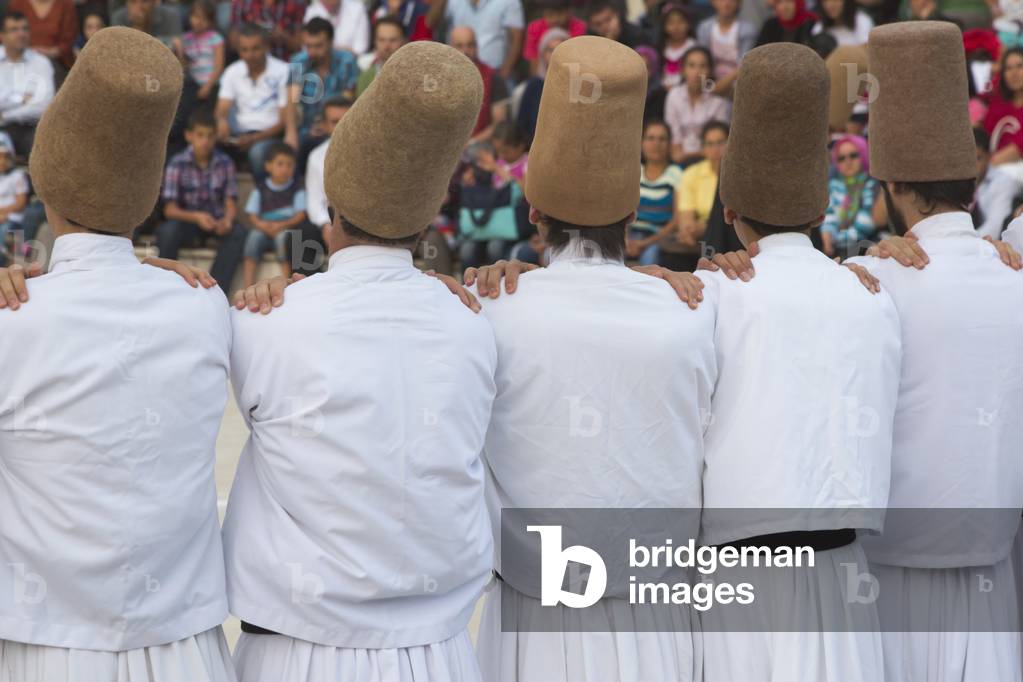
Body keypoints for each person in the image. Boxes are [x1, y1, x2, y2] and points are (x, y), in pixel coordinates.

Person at [224, 41, 496, 682]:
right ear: (428, 219)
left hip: (295, 651)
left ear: (330, 211)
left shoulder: (263, 323)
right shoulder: (477, 321)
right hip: (442, 654)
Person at [0, 27, 236, 682]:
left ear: (45, 176)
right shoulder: (204, 305)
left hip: (41, 644)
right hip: (187, 645)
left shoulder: (12, 321)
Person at [473, 36, 711, 682]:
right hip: (658, 618)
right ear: (633, 210)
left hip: (533, 617)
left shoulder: (486, 308)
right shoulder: (696, 309)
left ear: (532, 211)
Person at [676, 42, 899, 682]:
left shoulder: (711, 295)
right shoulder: (870, 293)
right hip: (842, 570)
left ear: (729, 213)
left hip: (739, 575)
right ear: (822, 209)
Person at [839, 21, 1023, 681]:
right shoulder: (1012, 269)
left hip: (888, 583)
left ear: (889, 187)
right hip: (996, 577)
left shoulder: (870, 280)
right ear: (970, 186)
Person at [158, 110, 246, 295]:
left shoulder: (225, 162)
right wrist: (196, 217)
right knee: (168, 230)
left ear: (215, 137)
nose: (205, 141)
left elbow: (230, 201)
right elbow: (170, 210)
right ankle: (164, 286)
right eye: (200, 135)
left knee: (237, 233)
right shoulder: (177, 162)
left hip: (215, 222)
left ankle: (215, 289)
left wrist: (227, 220)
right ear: (189, 136)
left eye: (209, 136)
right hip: (188, 222)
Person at [216, 22, 293, 179]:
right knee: (208, 144)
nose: (249, 55)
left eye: (255, 49)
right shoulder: (232, 71)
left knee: (258, 153)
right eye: (244, 50)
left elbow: (284, 120)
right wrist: (221, 120)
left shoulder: (284, 71)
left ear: (266, 47)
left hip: (271, 136)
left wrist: (254, 139)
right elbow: (222, 107)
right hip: (238, 136)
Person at [289, 17, 358, 157]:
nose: (312, 51)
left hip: (337, 128)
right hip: (306, 129)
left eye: (318, 45)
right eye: (308, 46)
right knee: (290, 150)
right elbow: (292, 100)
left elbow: (346, 100)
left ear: (331, 42)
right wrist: (290, 133)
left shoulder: (347, 61)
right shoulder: (298, 62)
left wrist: (326, 126)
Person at [665, 119, 728, 270]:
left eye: (721, 142)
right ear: (703, 148)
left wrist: (706, 226)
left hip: (728, 235)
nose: (716, 149)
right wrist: (688, 228)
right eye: (710, 144)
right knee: (673, 256)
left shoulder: (738, 175)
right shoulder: (691, 173)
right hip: (698, 239)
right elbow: (686, 214)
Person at [242, 142, 307, 287]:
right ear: (268, 166)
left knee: (283, 240)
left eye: (289, 165)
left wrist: (282, 225)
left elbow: (300, 215)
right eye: (280, 164)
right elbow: (252, 214)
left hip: (285, 228)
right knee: (253, 238)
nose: (285, 169)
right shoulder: (260, 188)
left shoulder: (297, 190)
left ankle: (286, 283)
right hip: (264, 227)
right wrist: (261, 225)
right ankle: (248, 285)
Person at [629, 119, 684, 266]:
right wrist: (625, 240)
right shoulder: (633, 171)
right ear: (641, 142)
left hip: (660, 239)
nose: (656, 144)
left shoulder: (677, 174)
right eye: (650, 138)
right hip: (629, 236)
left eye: (662, 139)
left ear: (669, 144)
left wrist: (645, 243)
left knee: (650, 261)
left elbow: (677, 220)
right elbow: (620, 211)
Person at [0, 10, 54, 157]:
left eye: (25, 29)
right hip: (1, 129)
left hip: (31, 129)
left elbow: (44, 107)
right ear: (2, 36)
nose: (21, 33)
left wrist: (6, 115)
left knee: (45, 149)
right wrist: (21, 99)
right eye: (14, 30)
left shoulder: (41, 62)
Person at [664, 46, 730, 164]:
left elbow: (720, 141)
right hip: (678, 160)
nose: (697, 72)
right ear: (683, 70)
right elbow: (675, 145)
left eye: (703, 66)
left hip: (711, 160)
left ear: (710, 71)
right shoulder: (674, 96)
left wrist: (693, 155)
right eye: (691, 65)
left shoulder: (718, 100)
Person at [449, 25, 509, 144]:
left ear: (477, 47)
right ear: (450, 48)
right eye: (459, 46)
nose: (465, 51)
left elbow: (499, 123)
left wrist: (471, 142)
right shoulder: (441, 78)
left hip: (479, 144)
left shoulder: (493, 78)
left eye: (470, 45)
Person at [821, 133, 878, 258]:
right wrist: (827, 234)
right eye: (841, 158)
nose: (847, 162)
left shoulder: (872, 184)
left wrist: (837, 239)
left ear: (863, 154)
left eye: (853, 155)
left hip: (865, 248)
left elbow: (867, 222)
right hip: (838, 249)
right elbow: (829, 216)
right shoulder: (834, 185)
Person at [305, 96, 349, 249]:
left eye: (347, 119)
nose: (342, 125)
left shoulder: (371, 153)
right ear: (324, 125)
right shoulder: (316, 156)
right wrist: (325, 225)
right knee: (302, 234)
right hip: (329, 221)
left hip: (362, 225)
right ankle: (310, 274)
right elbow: (314, 199)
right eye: (335, 121)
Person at [443, 0, 522, 79]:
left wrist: (505, 73)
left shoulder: (509, 2)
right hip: (455, 73)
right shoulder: (453, 2)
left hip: (496, 74)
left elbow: (517, 39)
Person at [695, 0, 756, 95]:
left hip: (737, 84)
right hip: (709, 81)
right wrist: (706, 85)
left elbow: (744, 64)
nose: (727, 3)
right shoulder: (704, 28)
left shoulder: (747, 30)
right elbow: (702, 60)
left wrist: (718, 87)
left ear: (739, 3)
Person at [516, 26, 565, 139]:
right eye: (550, 50)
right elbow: (522, 126)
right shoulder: (534, 86)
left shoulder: (576, 85)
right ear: (543, 54)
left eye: (559, 49)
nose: (555, 55)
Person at [973, 127, 1021, 239]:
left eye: (978, 158)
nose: (973, 165)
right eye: (970, 159)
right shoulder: (965, 180)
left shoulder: (1003, 182)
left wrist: (966, 241)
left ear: (989, 157)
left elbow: (994, 228)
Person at [177, 0, 225, 103]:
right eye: (196, 16)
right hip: (193, 84)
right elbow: (183, 63)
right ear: (189, 17)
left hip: (213, 85)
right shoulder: (185, 39)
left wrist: (207, 86)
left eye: (204, 19)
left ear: (211, 21)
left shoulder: (215, 38)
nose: (199, 21)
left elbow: (218, 67)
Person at [8, 0, 76, 70]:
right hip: (22, 59)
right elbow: (10, 34)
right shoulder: (17, 3)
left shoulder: (65, 4)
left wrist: (49, 52)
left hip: (57, 62)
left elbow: (68, 42)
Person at [983, 46, 1023, 165]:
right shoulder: (997, 104)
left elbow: (1017, 149)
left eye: (1020, 66)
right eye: (1008, 68)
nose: (1014, 73)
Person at [522, 0, 583, 75]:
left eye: (560, 13)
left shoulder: (579, 27)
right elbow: (533, 59)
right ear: (543, 13)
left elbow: (579, 59)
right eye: (550, 14)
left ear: (569, 12)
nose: (555, 19)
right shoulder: (534, 28)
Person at [229, 0, 306, 58]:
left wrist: (282, 36)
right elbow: (233, 43)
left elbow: (301, 46)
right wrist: (253, 34)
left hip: (288, 64)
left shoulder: (296, 3)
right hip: (252, 66)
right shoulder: (242, 3)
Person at [355, 14, 404, 96]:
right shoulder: (365, 77)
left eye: (393, 40)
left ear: (403, 41)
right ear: (375, 41)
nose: (387, 46)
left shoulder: (415, 76)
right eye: (381, 40)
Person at [303, 0, 370, 54]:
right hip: (318, 62)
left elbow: (360, 49)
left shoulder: (357, 8)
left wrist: (328, 49)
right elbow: (307, 47)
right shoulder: (311, 11)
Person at [0, 135, 27, 265]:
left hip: (12, 218)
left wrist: (3, 213)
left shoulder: (17, 175)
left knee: (3, 233)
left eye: (6, 156)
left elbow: (20, 203)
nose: (2, 161)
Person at [111, 0, 182, 46]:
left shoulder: (170, 15)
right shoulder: (119, 17)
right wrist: (137, 26)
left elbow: (178, 48)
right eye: (133, 1)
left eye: (144, 1)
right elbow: (118, 49)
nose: (139, 6)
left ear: (154, 2)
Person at [658, 3, 696, 89]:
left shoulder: (693, 47)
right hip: (663, 90)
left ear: (688, 24)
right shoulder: (661, 47)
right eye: (671, 23)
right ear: (664, 26)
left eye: (681, 22)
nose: (676, 27)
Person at [586, 0, 651, 48]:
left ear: (617, 15)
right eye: (598, 24)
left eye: (608, 20)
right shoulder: (590, 41)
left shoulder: (636, 35)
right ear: (592, 26)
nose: (605, 26)